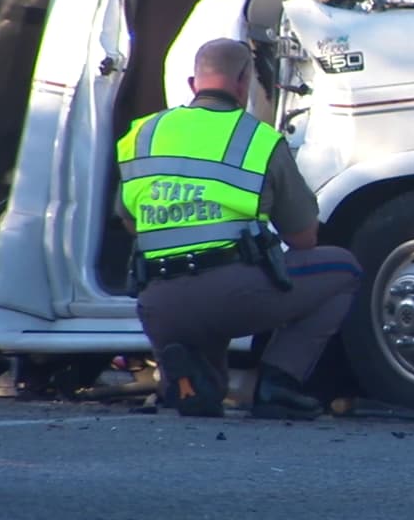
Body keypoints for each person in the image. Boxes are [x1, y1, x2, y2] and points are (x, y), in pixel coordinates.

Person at [115, 38, 361, 420]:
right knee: (343, 269)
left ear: (192, 82)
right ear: (245, 80)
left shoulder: (142, 134)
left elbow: (129, 219)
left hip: (159, 304)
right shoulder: (257, 139)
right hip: (233, 296)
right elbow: (303, 238)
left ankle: (185, 376)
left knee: (207, 384)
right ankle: (279, 383)